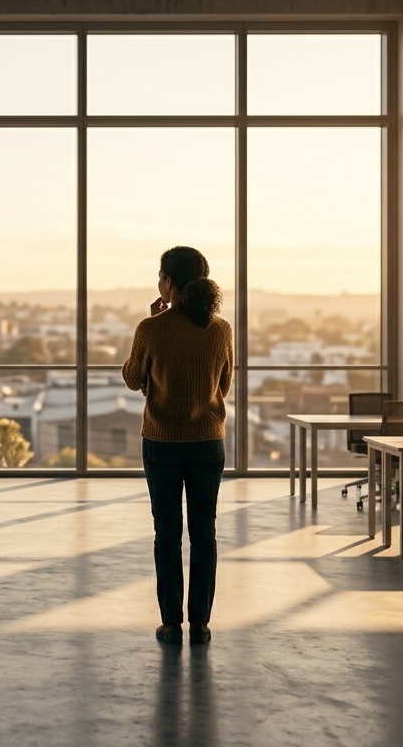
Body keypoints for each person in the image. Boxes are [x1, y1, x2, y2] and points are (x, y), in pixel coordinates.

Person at [122, 246, 233, 646]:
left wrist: (154, 328)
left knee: (167, 532)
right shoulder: (221, 329)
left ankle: (171, 624)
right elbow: (222, 386)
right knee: (205, 532)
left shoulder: (151, 328)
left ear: (168, 282)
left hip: (162, 443)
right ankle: (200, 625)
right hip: (208, 443)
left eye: (159, 276)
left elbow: (133, 379)